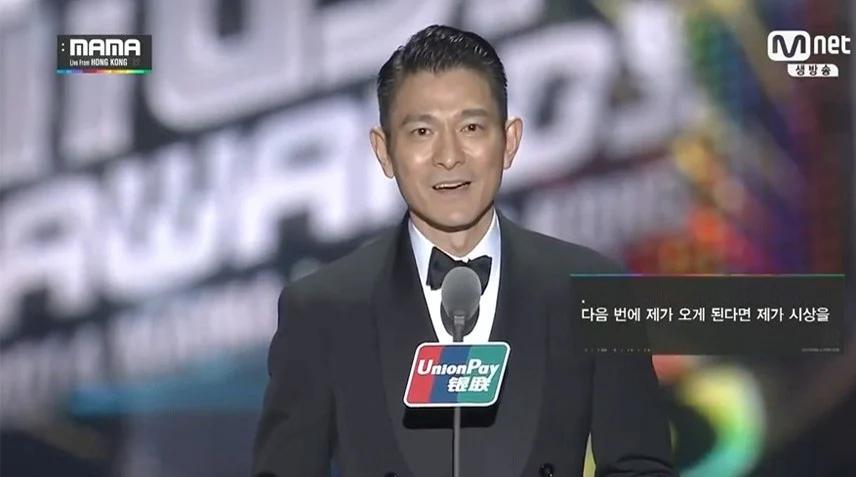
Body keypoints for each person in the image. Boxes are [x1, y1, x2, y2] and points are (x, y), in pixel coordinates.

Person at [252, 25, 675, 477]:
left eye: (471, 127)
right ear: (384, 151)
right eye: (422, 131)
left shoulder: (595, 291)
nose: (449, 156)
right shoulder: (321, 310)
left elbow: (640, 467)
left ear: (509, 141)